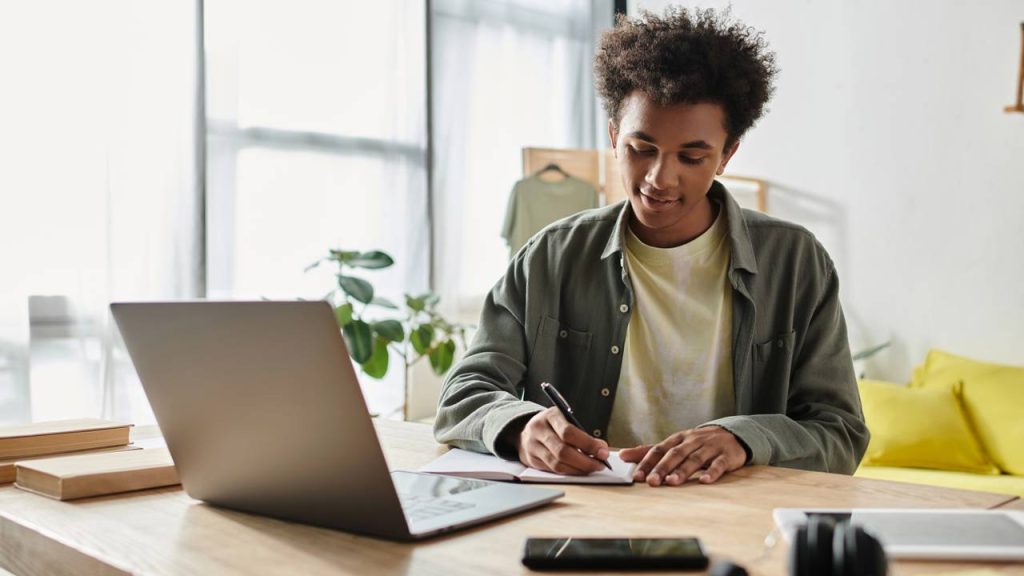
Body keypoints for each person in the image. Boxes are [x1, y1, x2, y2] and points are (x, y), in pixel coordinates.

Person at [434, 7, 868, 487]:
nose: (660, 179)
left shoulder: (795, 262)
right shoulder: (551, 256)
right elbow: (465, 394)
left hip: (734, 514)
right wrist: (518, 426)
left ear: (727, 154)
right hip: (584, 511)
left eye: (691, 156)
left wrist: (745, 439)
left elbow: (840, 433)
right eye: (641, 149)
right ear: (614, 137)